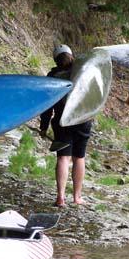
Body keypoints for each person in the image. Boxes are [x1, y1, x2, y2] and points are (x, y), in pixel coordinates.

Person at [39, 44, 91, 207]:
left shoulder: (52, 76)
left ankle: (60, 197)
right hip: (82, 120)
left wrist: (43, 126)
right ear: (70, 54)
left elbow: (47, 105)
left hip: (61, 121)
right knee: (79, 157)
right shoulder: (81, 72)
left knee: (63, 157)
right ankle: (77, 197)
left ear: (56, 60)